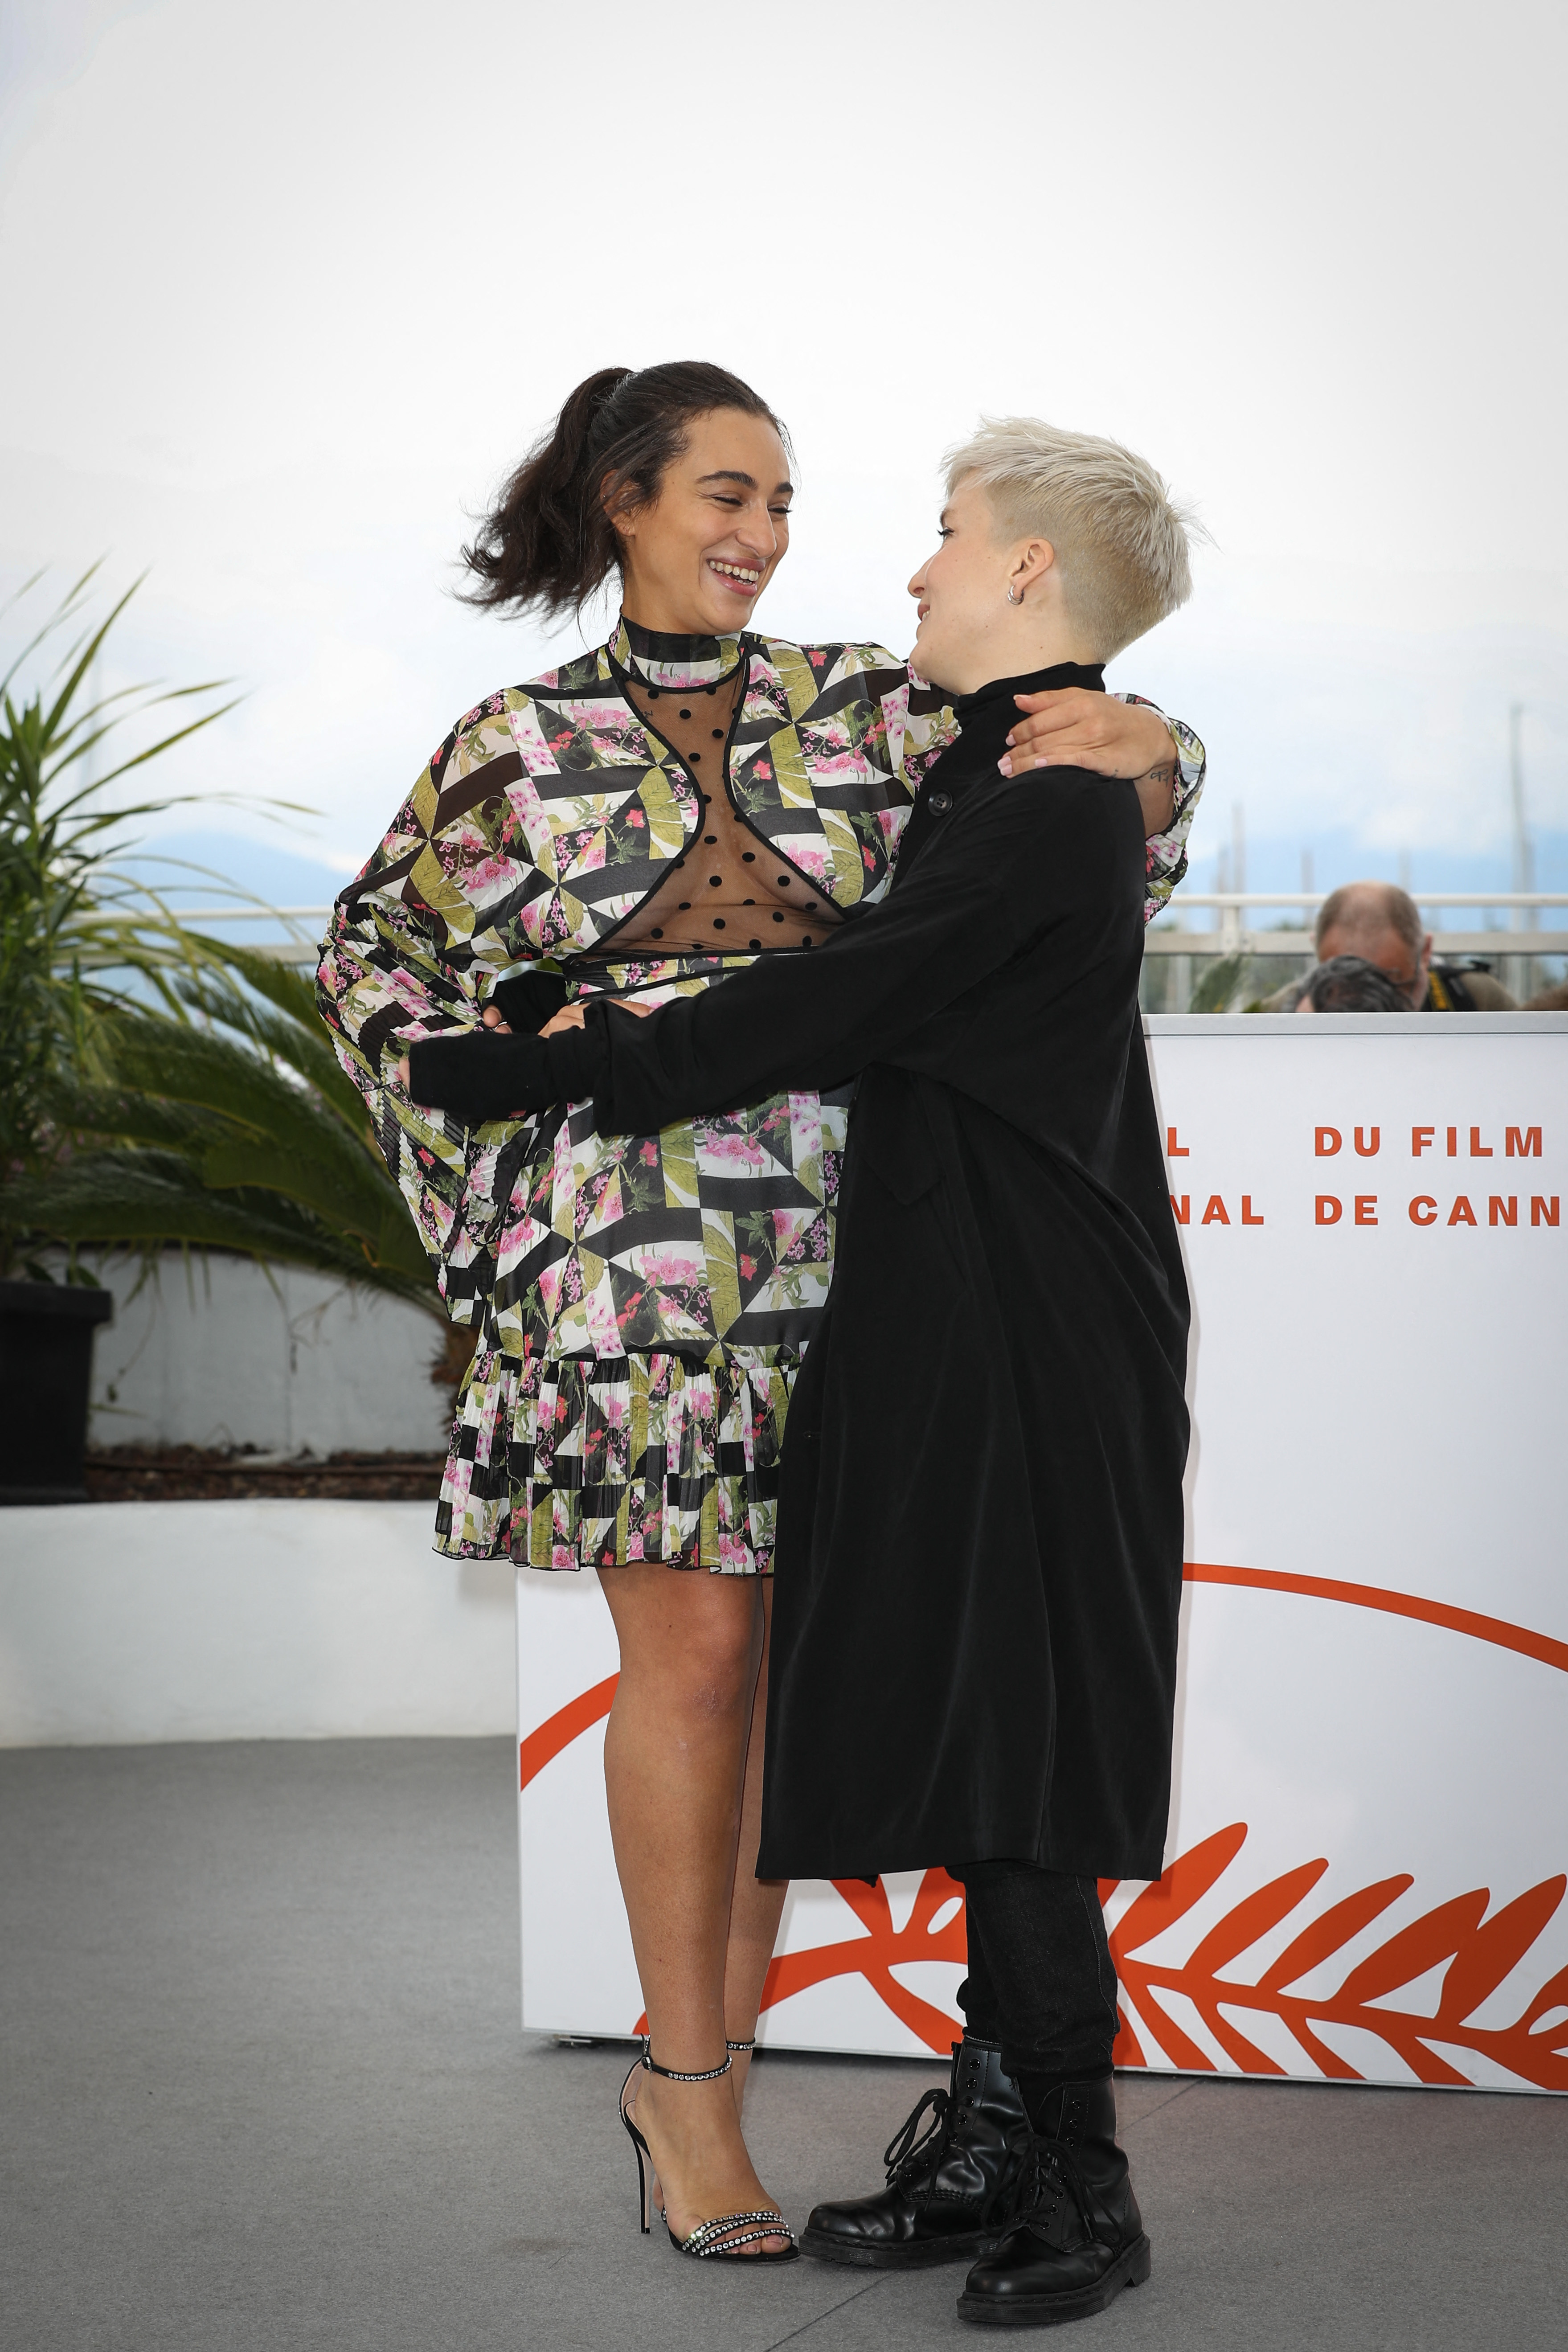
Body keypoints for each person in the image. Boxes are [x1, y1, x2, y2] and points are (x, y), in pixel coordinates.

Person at [318, 364, 1205, 2266]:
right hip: (623, 1263)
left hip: (856, 1259)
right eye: (725, 492)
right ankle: (689, 2090)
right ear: (624, 500)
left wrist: (1157, 744)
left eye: (785, 499)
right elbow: (371, 959)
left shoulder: (865, 701)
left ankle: (990, 2107)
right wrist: (497, 1107)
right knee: (702, 1665)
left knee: (874, 1669)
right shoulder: (511, 745)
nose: (764, 532)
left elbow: (1084, 768)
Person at [1261, 880, 1517, 1009]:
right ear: (1318, 956)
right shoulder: (1282, 1014)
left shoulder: (1473, 999)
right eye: (1346, 980)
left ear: (1425, 952)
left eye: (1391, 982)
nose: (1374, 1002)